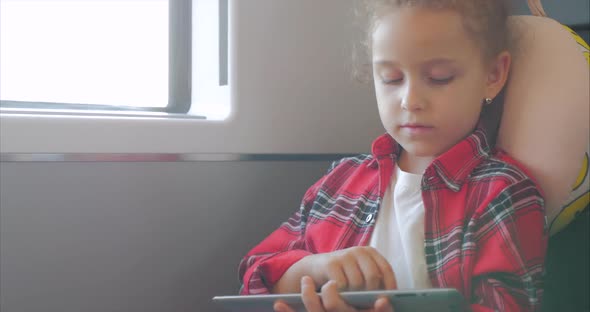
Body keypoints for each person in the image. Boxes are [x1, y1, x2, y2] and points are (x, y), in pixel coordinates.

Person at [239, 1, 549, 311]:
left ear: (493, 74)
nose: (410, 100)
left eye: (439, 78)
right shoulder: (340, 182)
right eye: (391, 78)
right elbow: (255, 278)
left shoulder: (501, 192)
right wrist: (313, 269)